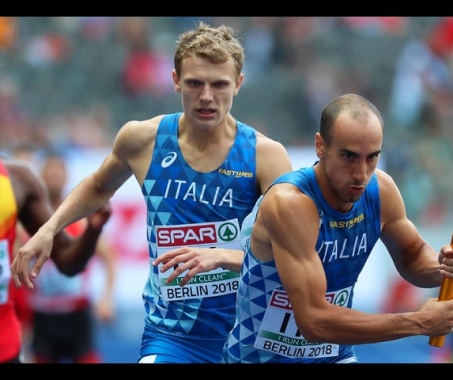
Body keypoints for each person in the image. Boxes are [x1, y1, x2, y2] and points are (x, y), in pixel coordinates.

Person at [11, 21, 293, 363]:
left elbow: (296, 251)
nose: (206, 96)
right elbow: (99, 185)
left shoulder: (265, 156)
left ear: (238, 84)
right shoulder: (143, 140)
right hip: (171, 336)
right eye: (194, 83)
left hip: (244, 336)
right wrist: (49, 229)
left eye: (219, 84)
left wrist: (222, 257)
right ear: (175, 81)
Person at [221, 93, 453, 363]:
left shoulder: (381, 190)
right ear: (320, 146)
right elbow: (314, 322)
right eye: (349, 156)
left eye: (372, 158)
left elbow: (412, 256)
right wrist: (417, 322)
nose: (361, 173)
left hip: (334, 356)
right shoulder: (290, 203)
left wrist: (445, 267)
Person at [0, 156, 111, 363]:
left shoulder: (18, 181)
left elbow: (68, 260)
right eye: (50, 172)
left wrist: (93, 230)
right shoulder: (23, 224)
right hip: (43, 314)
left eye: (58, 172)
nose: (54, 177)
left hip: (9, 343)